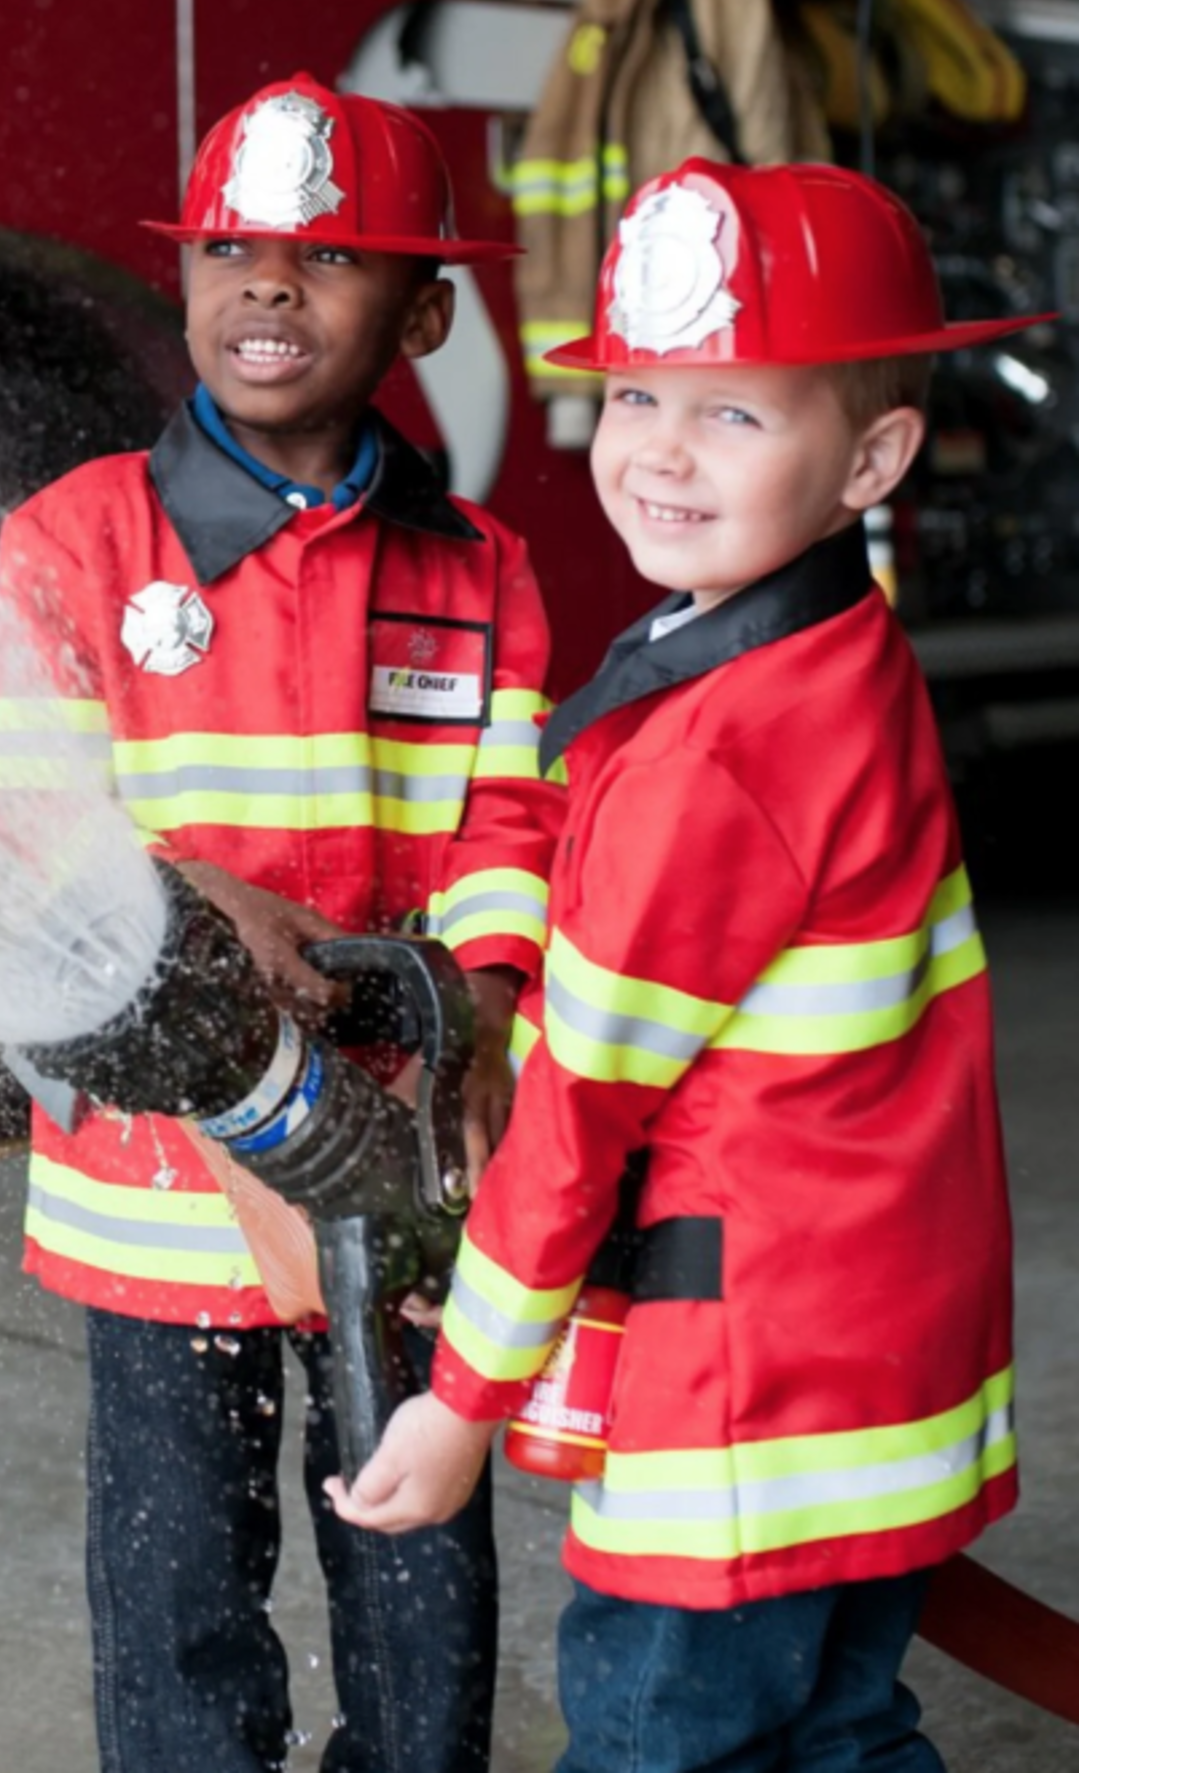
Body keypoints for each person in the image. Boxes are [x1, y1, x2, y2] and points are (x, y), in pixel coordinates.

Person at [328, 158, 1055, 1773]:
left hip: (746, 1401)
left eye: (734, 414)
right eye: (640, 388)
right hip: (880, 1355)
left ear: (871, 456)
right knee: (840, 1731)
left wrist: (461, 1404)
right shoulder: (833, 651)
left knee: (672, 1742)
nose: (657, 448)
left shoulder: (713, 759)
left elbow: (581, 1110)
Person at [0, 72, 566, 1773]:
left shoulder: (481, 568)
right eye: (230, 246)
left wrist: (489, 1017)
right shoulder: (74, 542)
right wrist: (187, 895)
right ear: (184, 280)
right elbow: (23, 819)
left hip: (394, 1168)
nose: (267, 287)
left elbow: (509, 828)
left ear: (429, 309)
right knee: (178, 1608)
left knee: (417, 1573)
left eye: (328, 257)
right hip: (157, 1203)